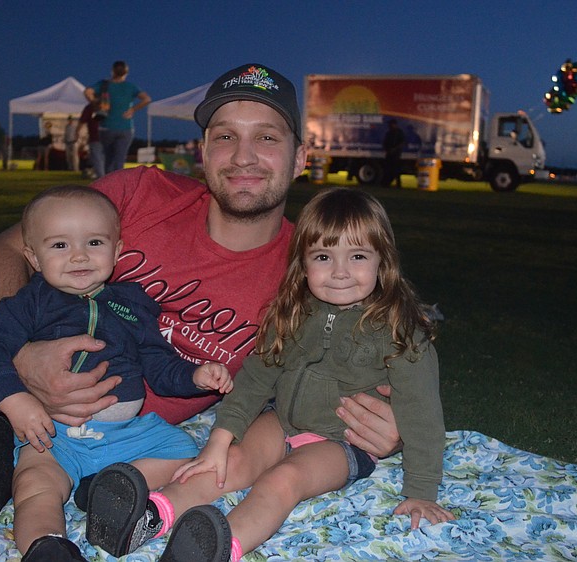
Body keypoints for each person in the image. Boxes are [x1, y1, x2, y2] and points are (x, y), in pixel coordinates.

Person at [0, 61, 403, 525]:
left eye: (267, 137)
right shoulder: (139, 193)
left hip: (137, 443)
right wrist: (20, 357)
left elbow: (353, 366)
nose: (242, 156)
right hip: (6, 398)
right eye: (224, 136)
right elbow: (1, 252)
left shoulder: (315, 272)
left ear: (300, 158)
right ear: (203, 151)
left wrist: (385, 422)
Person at [86, 187, 454, 560]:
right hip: (281, 420)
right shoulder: (292, 312)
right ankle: (145, 517)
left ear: (382, 260)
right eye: (323, 256)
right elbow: (254, 379)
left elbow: (421, 413)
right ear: (303, 262)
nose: (340, 272)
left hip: (341, 442)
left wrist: (420, 491)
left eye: (357, 256)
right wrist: (218, 441)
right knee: (230, 462)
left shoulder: (400, 331)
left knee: (283, 480)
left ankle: (216, 547)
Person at [0, 185, 234, 561]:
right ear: (33, 257)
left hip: (125, 436)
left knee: (184, 451)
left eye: (94, 242)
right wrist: (16, 400)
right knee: (34, 486)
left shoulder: (131, 304)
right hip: (54, 436)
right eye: (59, 246)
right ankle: (47, 546)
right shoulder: (31, 302)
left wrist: (194, 376)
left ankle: (104, 489)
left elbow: (158, 365)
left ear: (118, 250)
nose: (78, 256)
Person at [84, 60, 151, 176]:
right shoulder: (131, 87)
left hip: (106, 128)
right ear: (126, 73)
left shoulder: (104, 85)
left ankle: (108, 186)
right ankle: (118, 186)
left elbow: (87, 92)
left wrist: (95, 102)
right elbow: (147, 99)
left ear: (112, 71)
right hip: (126, 128)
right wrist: (132, 110)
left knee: (108, 159)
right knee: (120, 160)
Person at [78, 102, 103, 179]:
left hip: (97, 137)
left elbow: (82, 121)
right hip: (104, 136)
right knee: (100, 158)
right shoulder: (108, 104)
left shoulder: (90, 107)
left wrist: (76, 132)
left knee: (97, 158)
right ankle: (103, 176)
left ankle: (102, 177)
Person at [381, 118, 406, 187]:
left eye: (391, 124)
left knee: (395, 169)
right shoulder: (389, 132)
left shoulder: (399, 132)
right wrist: (387, 150)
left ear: (394, 124)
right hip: (389, 153)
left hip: (396, 154)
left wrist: (394, 149)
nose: (390, 126)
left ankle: (398, 183)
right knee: (388, 169)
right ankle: (387, 182)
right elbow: (385, 142)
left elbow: (402, 143)